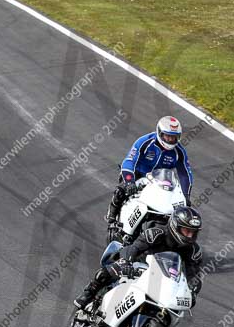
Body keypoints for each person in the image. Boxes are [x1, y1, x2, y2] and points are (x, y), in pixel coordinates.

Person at [74, 206, 204, 310]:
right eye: (187, 230)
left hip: (163, 279)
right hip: (138, 266)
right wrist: (126, 262)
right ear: (175, 226)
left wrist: (192, 292)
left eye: (193, 232)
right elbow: (134, 248)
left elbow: (194, 275)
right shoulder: (156, 233)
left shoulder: (193, 250)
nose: (190, 235)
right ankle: (89, 292)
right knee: (115, 265)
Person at [106, 116, 194, 235]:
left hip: (160, 181)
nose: (170, 140)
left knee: (176, 207)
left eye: (174, 137)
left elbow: (185, 174)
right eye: (167, 136)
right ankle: (111, 217)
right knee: (120, 191)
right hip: (137, 176)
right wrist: (129, 181)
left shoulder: (179, 152)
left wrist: (186, 195)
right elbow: (129, 161)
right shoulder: (145, 141)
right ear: (159, 133)